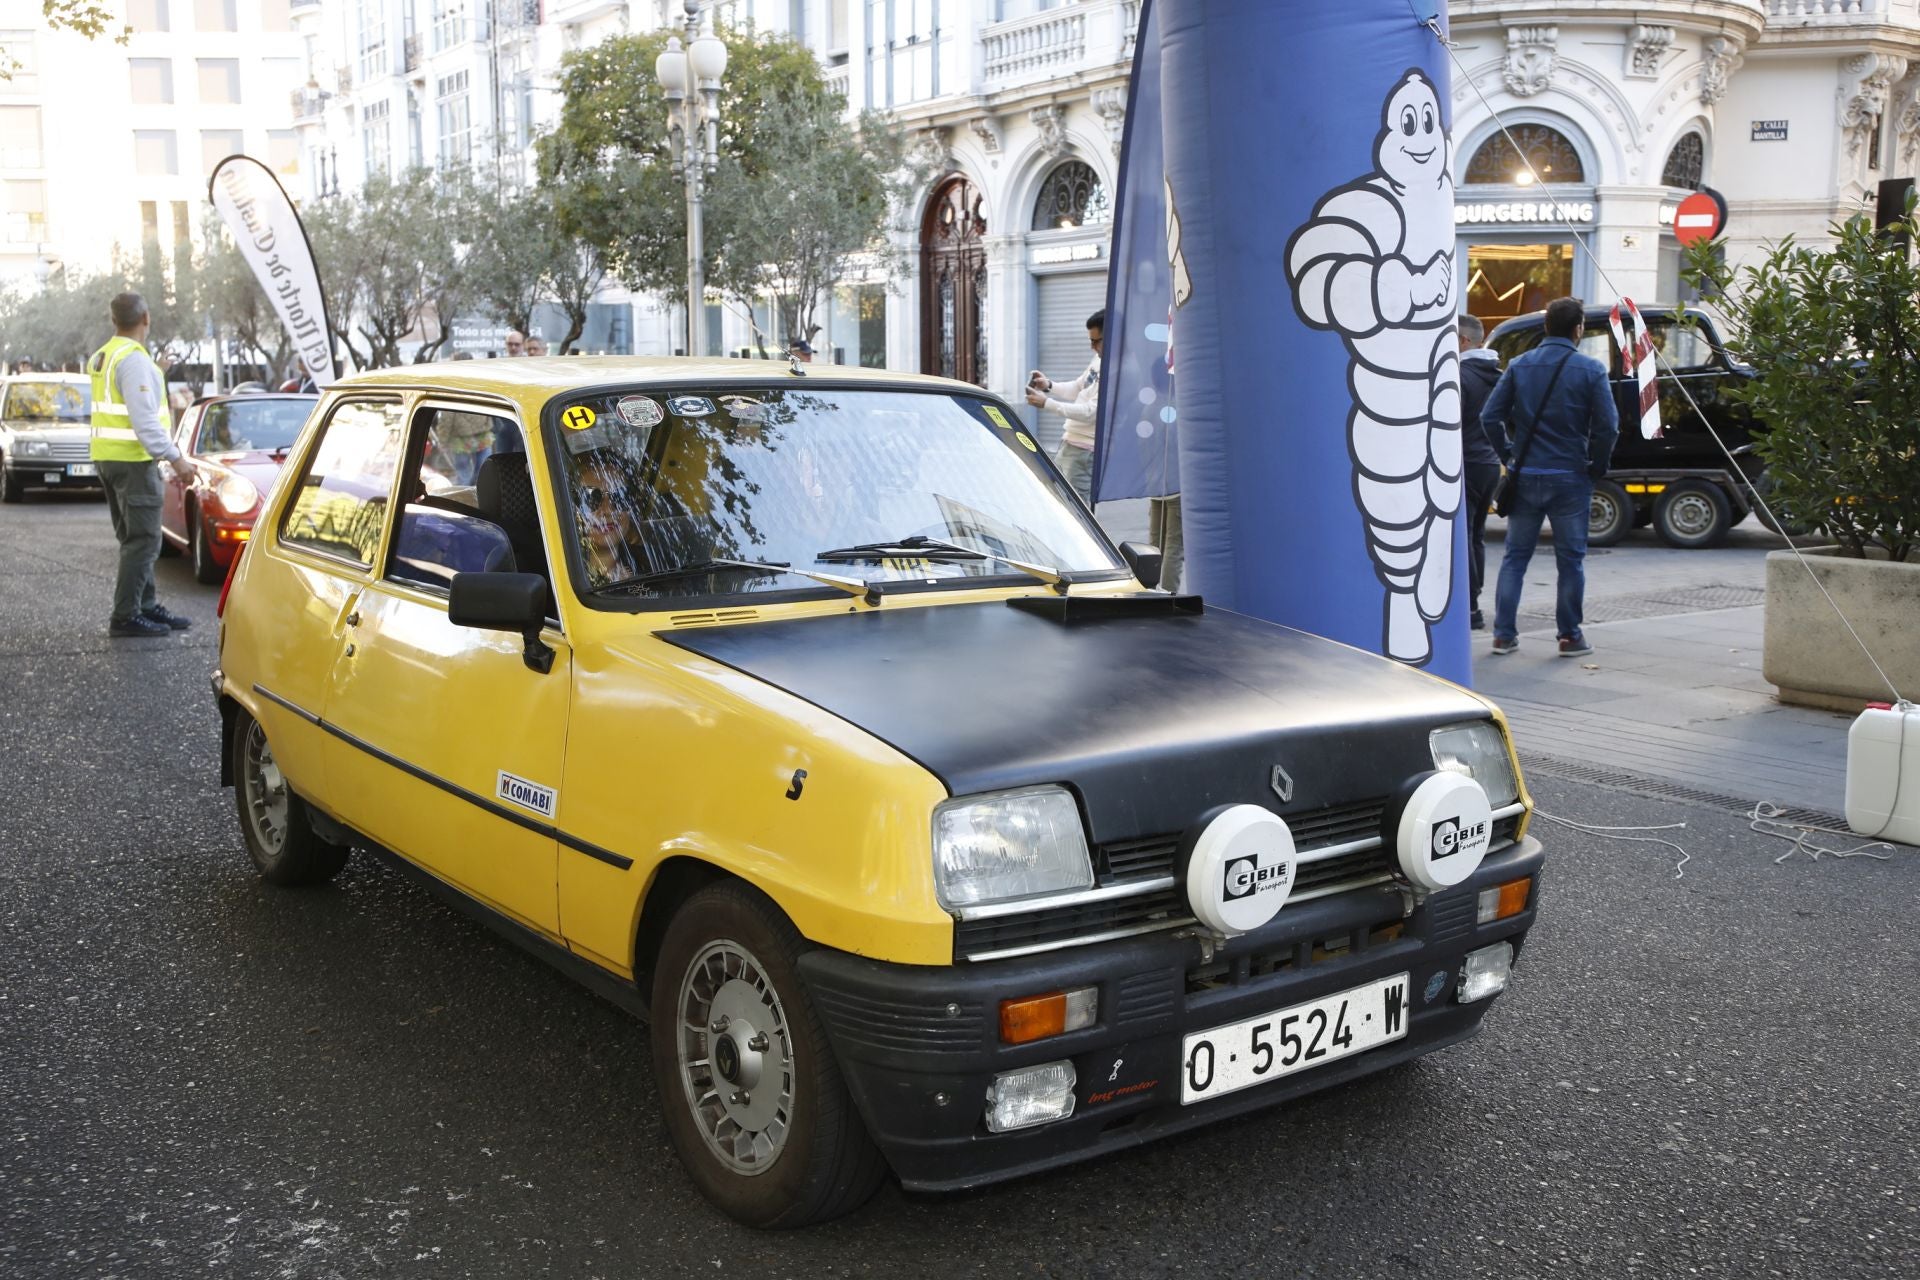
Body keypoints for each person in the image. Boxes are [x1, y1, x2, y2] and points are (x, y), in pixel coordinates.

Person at [1480, 297, 1619, 659]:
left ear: (1546, 327)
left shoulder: (1519, 366)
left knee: (1515, 558)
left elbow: (1489, 417)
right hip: (1570, 475)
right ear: (1578, 329)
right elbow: (1608, 427)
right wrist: (1597, 466)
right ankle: (1569, 636)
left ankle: (1503, 635)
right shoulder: (1591, 369)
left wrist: (1509, 454)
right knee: (1570, 560)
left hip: (1526, 474)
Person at [88, 292, 196, 638]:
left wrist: (156, 371)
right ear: (146, 318)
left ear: (113, 320)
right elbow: (144, 421)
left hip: (109, 458)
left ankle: (145, 606)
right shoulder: (133, 360)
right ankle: (125, 616)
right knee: (144, 541)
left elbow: (124, 395)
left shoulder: (105, 355)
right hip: (133, 461)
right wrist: (176, 459)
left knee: (133, 539)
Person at [1025, 308, 1102, 505]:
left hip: (1085, 450)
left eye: (1096, 341)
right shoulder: (1099, 359)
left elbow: (1092, 412)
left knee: (1075, 510)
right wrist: (1049, 385)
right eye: (1090, 341)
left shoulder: (1120, 368)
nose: (1092, 347)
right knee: (1060, 504)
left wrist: (1047, 403)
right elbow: (1078, 387)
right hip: (1071, 442)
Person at [1457, 314, 1504, 630]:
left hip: (1467, 463)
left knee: (1464, 536)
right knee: (1477, 536)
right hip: (1490, 464)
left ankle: (1470, 607)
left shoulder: (1459, 375)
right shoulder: (1498, 375)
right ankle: (1474, 601)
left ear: (1463, 341)